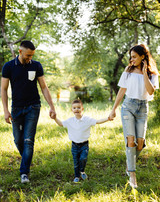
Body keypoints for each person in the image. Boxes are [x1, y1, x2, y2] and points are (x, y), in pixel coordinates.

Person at [1, 40, 56, 183]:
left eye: (32, 55)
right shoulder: (8, 67)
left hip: (33, 107)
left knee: (28, 140)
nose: (29, 58)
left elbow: (44, 87)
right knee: (18, 140)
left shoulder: (36, 65)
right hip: (16, 109)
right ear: (20, 52)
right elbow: (4, 89)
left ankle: (24, 173)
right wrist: (6, 111)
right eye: (27, 55)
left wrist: (52, 106)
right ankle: (27, 158)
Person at [108, 44, 159, 188]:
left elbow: (150, 91)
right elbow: (122, 90)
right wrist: (113, 109)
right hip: (128, 107)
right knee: (130, 141)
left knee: (140, 143)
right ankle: (132, 174)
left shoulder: (152, 74)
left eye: (135, 57)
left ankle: (129, 163)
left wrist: (144, 73)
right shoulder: (128, 70)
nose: (132, 59)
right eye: (131, 57)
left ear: (143, 56)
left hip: (143, 108)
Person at [54, 99, 111, 183]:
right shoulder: (70, 121)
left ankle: (82, 171)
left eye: (78, 107)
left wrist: (108, 118)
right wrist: (55, 118)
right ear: (72, 110)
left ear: (82, 109)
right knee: (76, 161)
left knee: (83, 159)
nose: (76, 109)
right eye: (74, 108)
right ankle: (77, 176)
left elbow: (98, 121)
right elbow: (61, 124)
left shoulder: (87, 120)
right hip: (74, 145)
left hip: (84, 145)